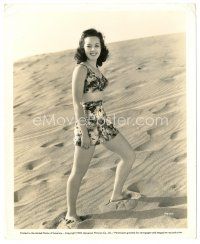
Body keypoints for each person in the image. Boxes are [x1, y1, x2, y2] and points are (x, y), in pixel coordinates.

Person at [65, 28, 136, 224]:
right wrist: (85, 132)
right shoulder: (81, 69)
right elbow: (77, 103)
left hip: (102, 121)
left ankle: (116, 195)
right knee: (78, 172)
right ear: (83, 47)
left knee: (129, 155)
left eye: (96, 45)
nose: (93, 49)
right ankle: (71, 213)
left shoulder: (95, 67)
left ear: (101, 47)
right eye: (88, 45)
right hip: (87, 123)